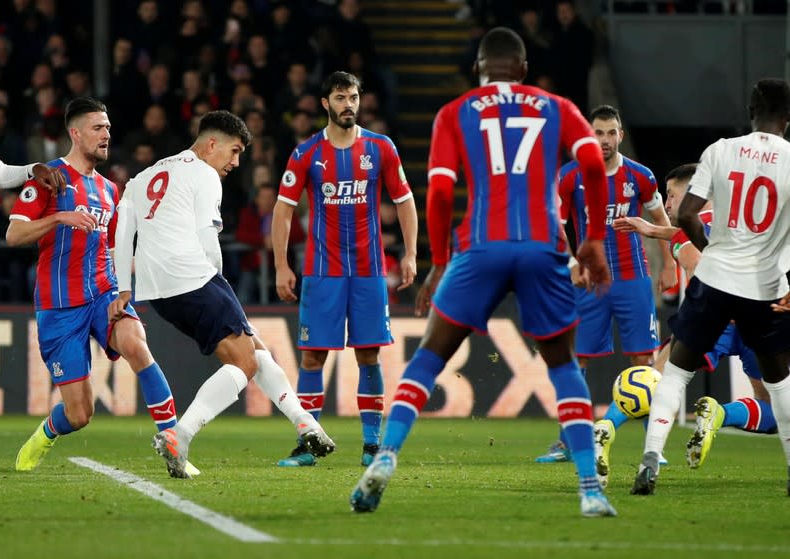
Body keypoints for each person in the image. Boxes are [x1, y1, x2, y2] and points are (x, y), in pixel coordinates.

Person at [350, 27, 616, 517]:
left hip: (480, 248)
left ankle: (385, 456)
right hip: (543, 246)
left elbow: (439, 191)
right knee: (562, 365)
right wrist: (594, 239)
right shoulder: (558, 107)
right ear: (522, 69)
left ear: (478, 69)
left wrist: (439, 263)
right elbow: (595, 169)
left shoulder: (455, 113)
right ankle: (589, 488)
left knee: (430, 357)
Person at [108, 110, 335, 479]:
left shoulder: (142, 177)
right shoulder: (204, 174)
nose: (235, 161)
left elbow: (122, 236)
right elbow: (206, 238)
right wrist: (219, 283)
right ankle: (179, 436)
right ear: (211, 144)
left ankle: (305, 424)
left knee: (253, 346)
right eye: (233, 151)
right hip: (194, 276)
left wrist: (123, 289)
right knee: (244, 363)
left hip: (156, 291)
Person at [7, 97, 187, 473]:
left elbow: (112, 249)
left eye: (107, 127)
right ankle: (45, 434)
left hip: (103, 294)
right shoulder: (47, 179)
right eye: (97, 128)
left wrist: (140, 277)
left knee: (137, 345)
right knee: (80, 414)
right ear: (75, 133)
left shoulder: (109, 189)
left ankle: (174, 443)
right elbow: (14, 233)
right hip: (60, 307)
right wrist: (58, 217)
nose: (106, 134)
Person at [631, 78, 790, 496]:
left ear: (750, 113)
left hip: (716, 280)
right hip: (765, 285)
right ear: (786, 120)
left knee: (676, 373)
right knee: (779, 384)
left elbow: (685, 214)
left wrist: (713, 250)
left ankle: (650, 459)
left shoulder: (720, 150)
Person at [595, 163, 778, 486]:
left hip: (713, 316)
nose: (666, 204)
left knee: (657, 379)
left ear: (695, 192)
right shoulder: (742, 221)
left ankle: (608, 427)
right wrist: (654, 231)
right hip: (759, 315)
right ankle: (721, 414)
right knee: (772, 407)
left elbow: (693, 253)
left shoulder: (689, 233)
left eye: (672, 194)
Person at [272, 71, 418, 467]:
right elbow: (283, 211)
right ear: (326, 104)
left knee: (369, 355)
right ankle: (309, 445)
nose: (348, 104)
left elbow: (404, 200)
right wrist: (281, 264)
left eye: (353, 96)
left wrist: (410, 254)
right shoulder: (305, 153)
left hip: (369, 270)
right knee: (313, 357)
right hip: (322, 271)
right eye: (340, 98)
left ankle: (372, 446)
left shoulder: (381, 148)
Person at [535, 104, 676, 464]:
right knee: (576, 359)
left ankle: (652, 447)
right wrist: (569, 262)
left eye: (610, 133)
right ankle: (569, 442)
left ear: (620, 136)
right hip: (590, 283)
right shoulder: (570, 176)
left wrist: (670, 266)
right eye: (597, 132)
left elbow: (660, 220)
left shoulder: (641, 177)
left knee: (643, 362)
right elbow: (555, 224)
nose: (604, 140)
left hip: (633, 280)